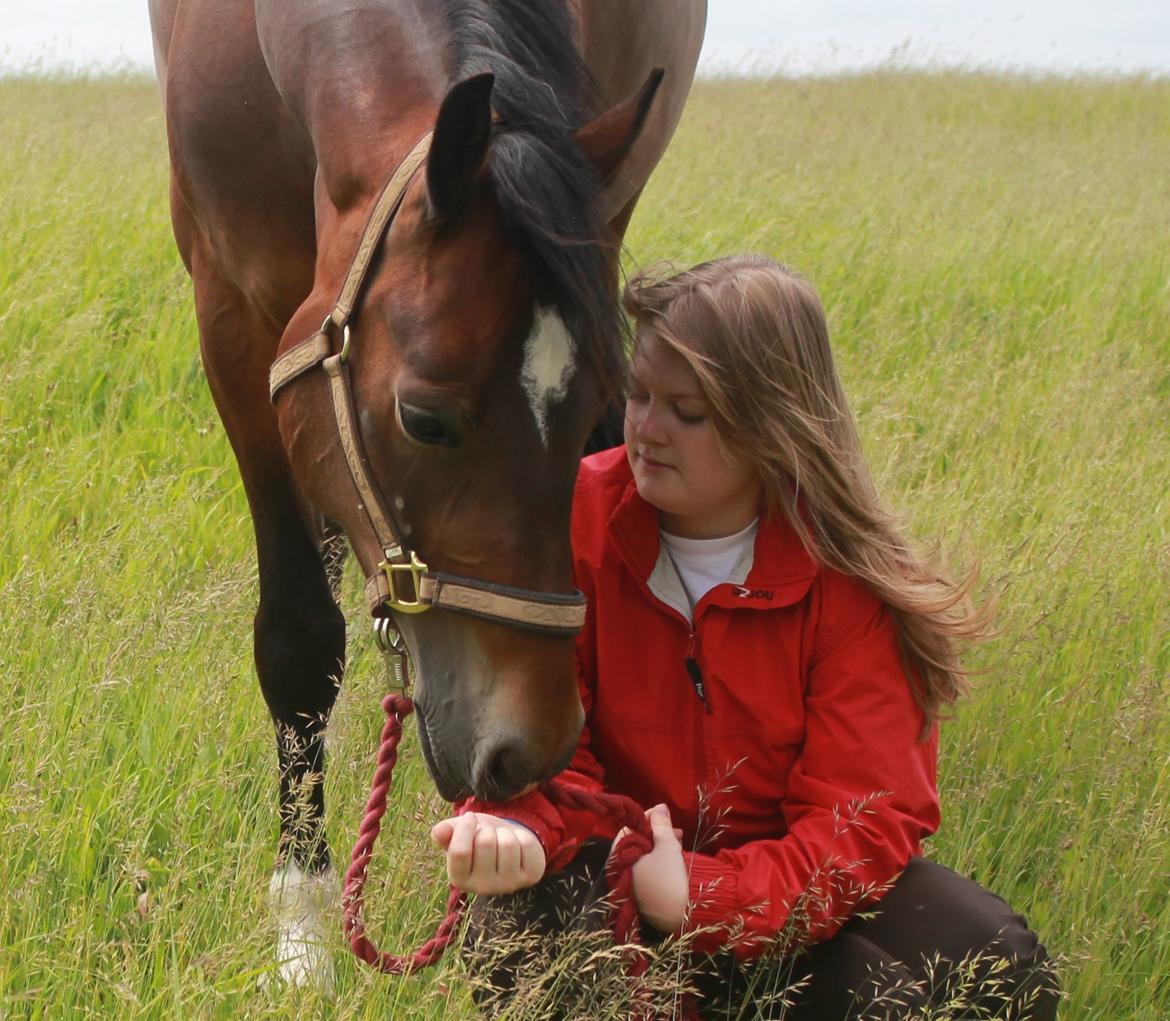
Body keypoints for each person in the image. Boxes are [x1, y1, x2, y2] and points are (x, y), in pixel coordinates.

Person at [430, 255, 1059, 1020]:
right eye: (637, 395)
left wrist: (702, 897)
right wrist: (519, 826)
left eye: (687, 412)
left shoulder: (852, 574)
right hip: (614, 873)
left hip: (771, 892)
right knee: (523, 913)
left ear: (774, 421)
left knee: (993, 959)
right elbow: (540, 742)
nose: (647, 430)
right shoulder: (568, 523)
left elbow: (859, 819)